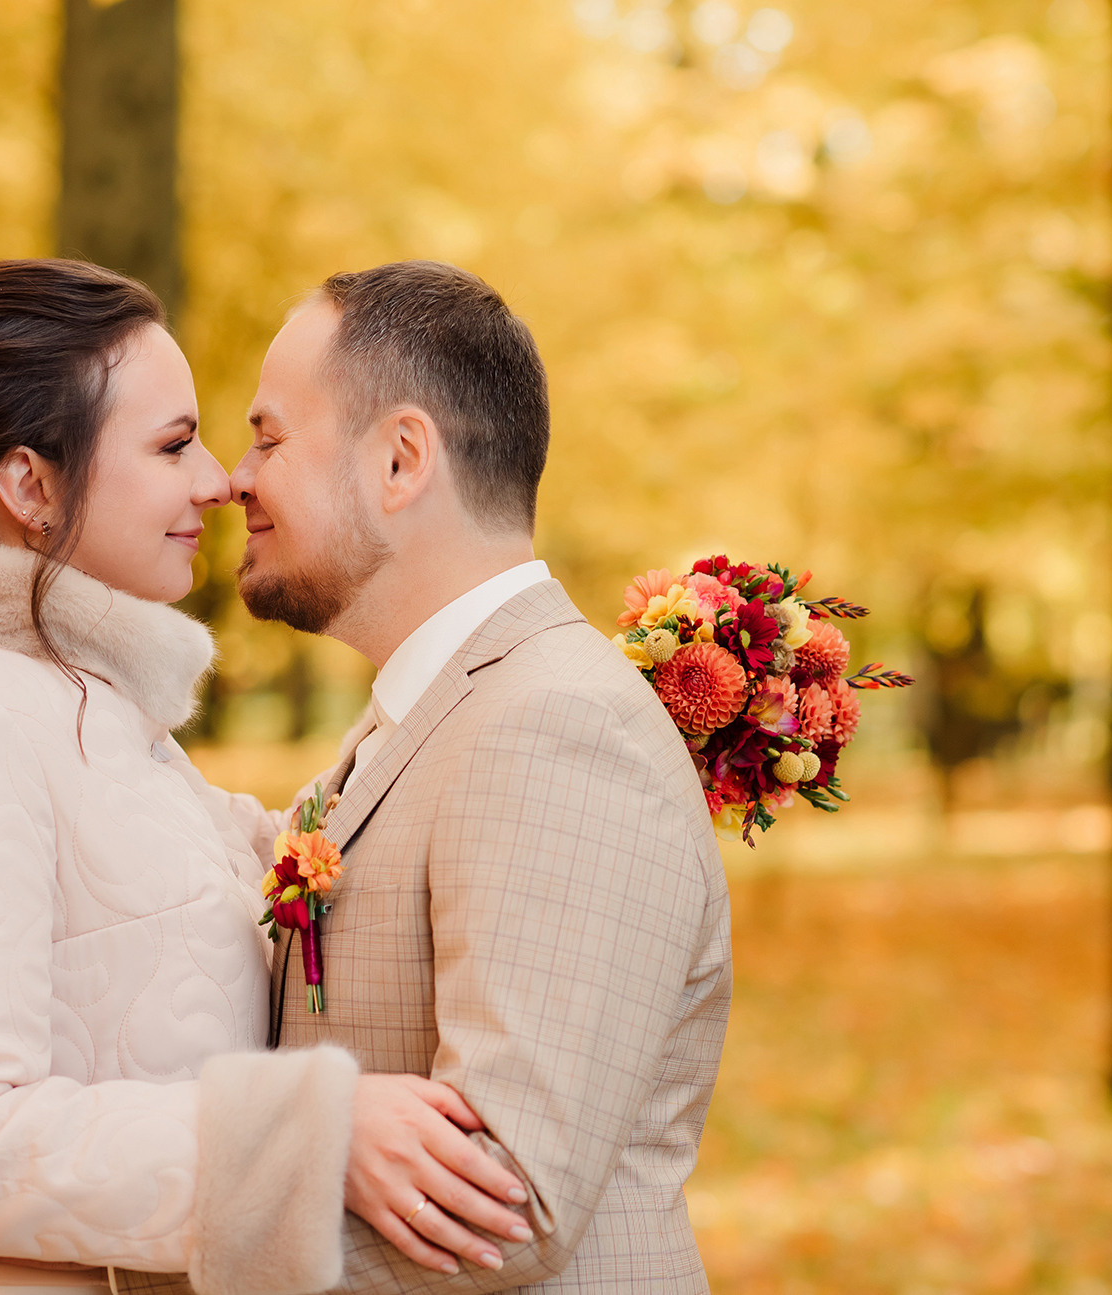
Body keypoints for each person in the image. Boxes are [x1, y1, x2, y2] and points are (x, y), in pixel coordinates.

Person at [0, 258, 527, 1295]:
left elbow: (320, 850)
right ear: (30, 487)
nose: (219, 479)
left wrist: (570, 728)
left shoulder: (87, 712)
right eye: (172, 443)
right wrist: (311, 1137)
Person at [114, 260, 732, 1294]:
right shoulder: (436, 713)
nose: (233, 477)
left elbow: (503, 1197)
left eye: (268, 436)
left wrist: (145, 1265)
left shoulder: (554, 725)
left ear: (401, 459)